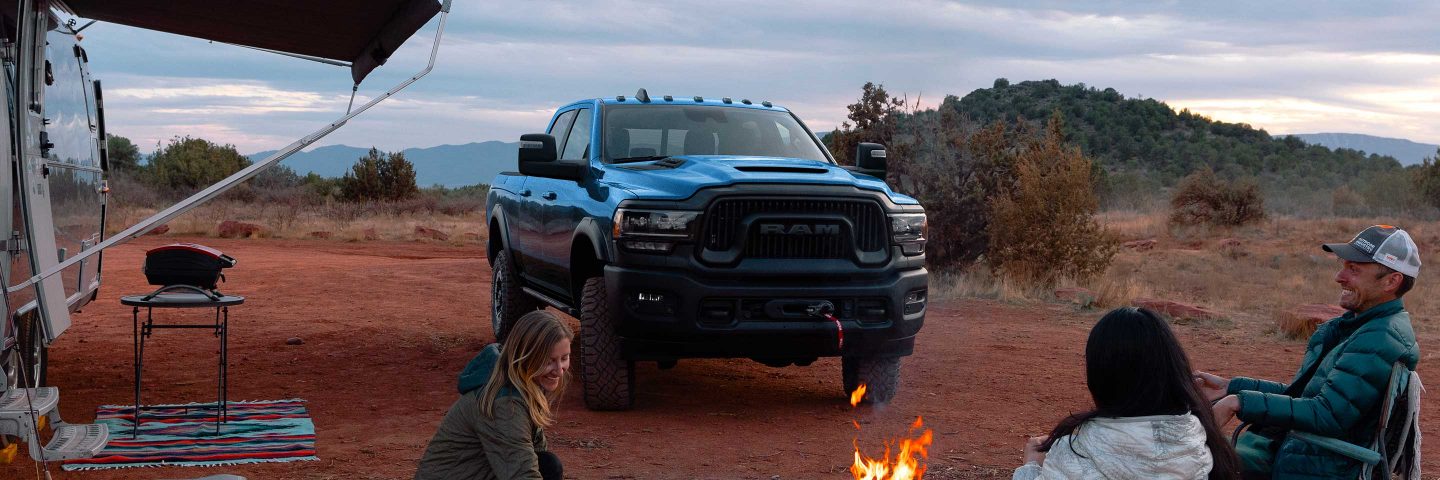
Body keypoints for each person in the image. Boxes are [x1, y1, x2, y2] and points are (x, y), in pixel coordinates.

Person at [1196, 225, 1421, 479]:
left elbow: (1326, 414)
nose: (1339, 276)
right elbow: (1307, 396)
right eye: (1343, 265)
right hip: (1302, 450)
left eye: (1354, 270)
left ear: (1392, 281)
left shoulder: (1379, 338)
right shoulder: (1360, 328)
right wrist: (1232, 387)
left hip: (1316, 465)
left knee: (1189, 463)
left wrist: (1238, 402)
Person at [1015, 307, 1240, 480]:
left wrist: (1031, 466)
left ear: (1100, 375)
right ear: (1173, 368)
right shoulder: (1199, 440)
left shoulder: (1076, 450)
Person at [415, 310, 572, 480]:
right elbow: (522, 474)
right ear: (525, 356)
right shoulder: (505, 403)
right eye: (549, 361)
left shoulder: (525, 382)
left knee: (547, 464)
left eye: (564, 358)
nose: (559, 370)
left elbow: (534, 454)